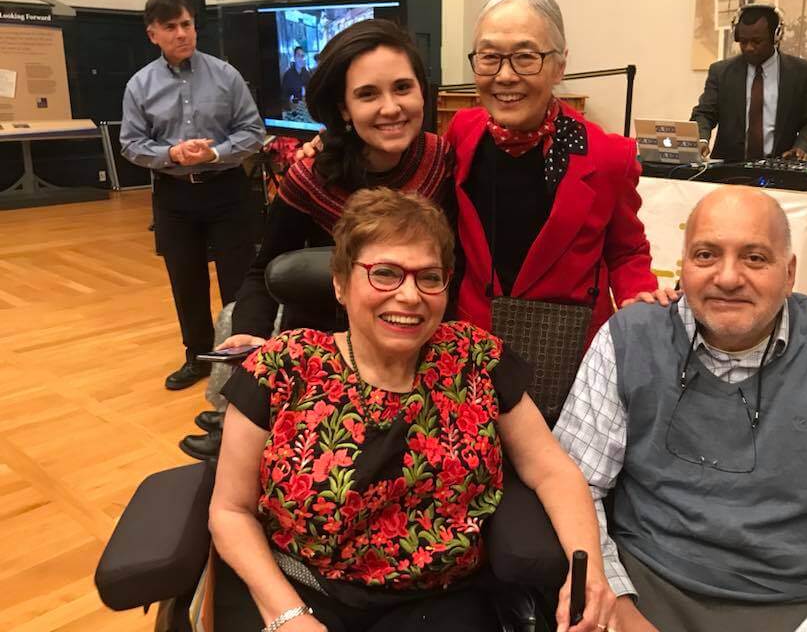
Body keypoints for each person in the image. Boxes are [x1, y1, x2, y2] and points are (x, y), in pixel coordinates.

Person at [209, 188, 618, 632]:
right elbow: (230, 511)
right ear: (341, 282)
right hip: (302, 587)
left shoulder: (476, 358)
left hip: (441, 599)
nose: (409, 296)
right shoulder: (283, 366)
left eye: (428, 277)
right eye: (385, 273)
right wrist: (287, 616)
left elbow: (551, 469)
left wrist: (591, 573)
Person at [555, 186, 807, 632]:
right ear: (681, 265)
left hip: (803, 602)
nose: (728, 277)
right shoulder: (629, 339)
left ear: (790, 272)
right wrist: (618, 607)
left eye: (755, 258)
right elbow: (574, 485)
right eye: (705, 255)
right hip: (648, 589)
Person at [179, 19, 454, 461]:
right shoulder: (312, 175)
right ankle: (237, 425)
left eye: (403, 88)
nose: (391, 107)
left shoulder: (443, 160)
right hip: (328, 347)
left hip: (414, 340)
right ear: (343, 108)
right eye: (367, 94)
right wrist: (251, 334)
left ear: (423, 92)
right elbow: (261, 269)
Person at [446, 0, 668, 349]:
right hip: (474, 346)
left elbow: (626, 250)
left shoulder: (608, 155)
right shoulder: (462, 133)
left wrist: (638, 298)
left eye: (525, 57)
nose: (504, 76)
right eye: (489, 57)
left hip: (565, 350)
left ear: (559, 65)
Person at [121, 0, 265, 391]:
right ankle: (198, 357)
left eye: (187, 24)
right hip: (175, 196)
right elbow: (130, 143)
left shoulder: (226, 75)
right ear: (153, 34)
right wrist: (171, 153)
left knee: (238, 281)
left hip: (227, 190)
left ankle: (240, 362)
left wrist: (215, 151)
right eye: (171, 27)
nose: (182, 33)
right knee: (186, 281)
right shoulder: (139, 85)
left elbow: (252, 132)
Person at [691, 4, 807, 161]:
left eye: (757, 41)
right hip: (728, 171)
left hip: (780, 168)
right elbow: (704, 113)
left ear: (776, 37)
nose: (749, 48)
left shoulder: (803, 73)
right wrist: (701, 140)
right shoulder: (721, 72)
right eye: (743, 41)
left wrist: (802, 146)